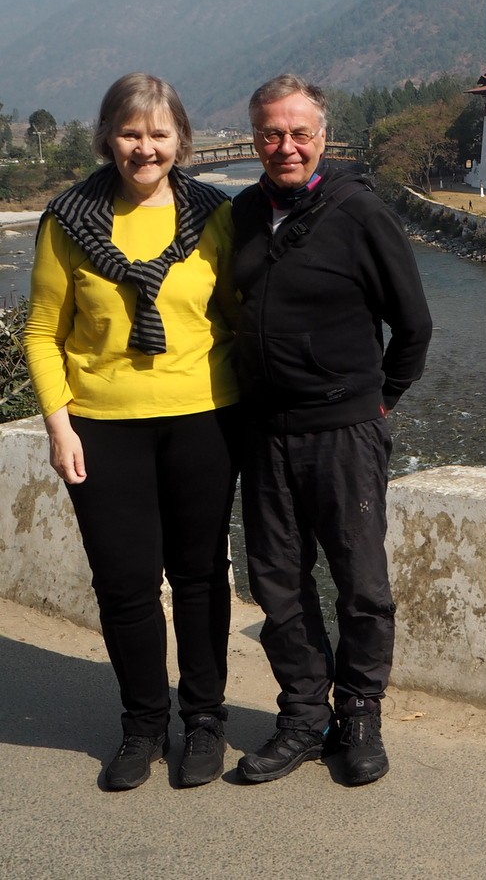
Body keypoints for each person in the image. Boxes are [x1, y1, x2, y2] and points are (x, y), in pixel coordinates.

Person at [23, 73, 238, 791]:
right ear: (107, 139)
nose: (144, 148)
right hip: (102, 425)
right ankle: (143, 724)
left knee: (201, 576)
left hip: (203, 417)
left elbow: (242, 315)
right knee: (125, 584)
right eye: (130, 133)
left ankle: (204, 720)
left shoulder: (213, 214)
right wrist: (59, 427)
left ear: (181, 140)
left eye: (158, 133)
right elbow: (43, 332)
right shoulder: (68, 218)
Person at [231, 74, 431, 786]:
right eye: (271, 133)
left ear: (323, 137)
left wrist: (378, 402)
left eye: (299, 133)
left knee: (360, 581)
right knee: (277, 583)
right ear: (255, 139)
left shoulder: (361, 212)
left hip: (344, 430)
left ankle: (360, 714)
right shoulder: (243, 212)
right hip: (265, 431)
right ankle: (303, 716)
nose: (285, 146)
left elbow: (413, 326)